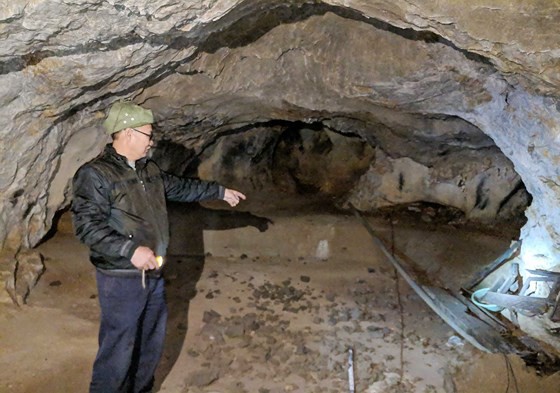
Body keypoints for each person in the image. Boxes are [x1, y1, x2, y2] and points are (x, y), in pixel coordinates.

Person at [71, 101, 246, 393]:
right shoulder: (96, 175)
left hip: (153, 274)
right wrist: (130, 250)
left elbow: (180, 187)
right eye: (147, 134)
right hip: (121, 277)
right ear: (127, 133)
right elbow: (87, 226)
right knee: (118, 350)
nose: (152, 141)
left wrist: (219, 191)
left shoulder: (147, 169)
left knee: (150, 344)